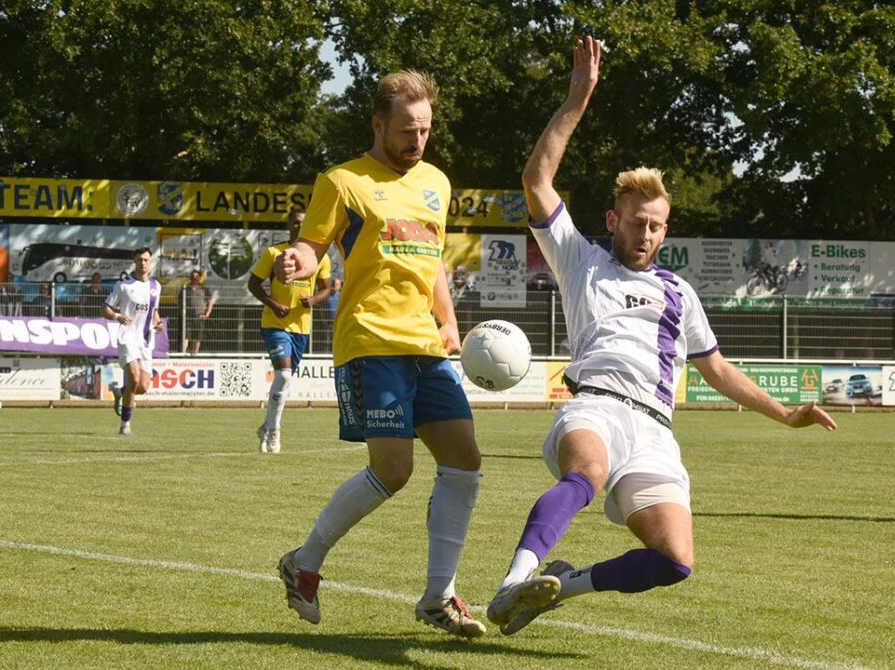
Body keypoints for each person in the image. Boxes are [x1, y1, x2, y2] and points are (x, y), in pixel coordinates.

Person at [484, 36, 839, 636]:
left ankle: (560, 587)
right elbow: (537, 180)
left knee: (675, 559)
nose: (646, 234)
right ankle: (512, 581)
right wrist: (578, 97)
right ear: (612, 221)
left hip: (655, 428)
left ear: (665, 229)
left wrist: (786, 413)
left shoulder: (680, 293)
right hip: (594, 405)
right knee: (585, 476)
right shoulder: (580, 259)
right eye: (636, 222)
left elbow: (717, 370)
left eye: (656, 226)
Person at [272, 70, 485, 638]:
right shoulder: (342, 181)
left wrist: (449, 320)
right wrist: (296, 261)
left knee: (464, 460)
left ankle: (439, 596)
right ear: (378, 125)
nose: (418, 142)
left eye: (425, 131)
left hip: (424, 343)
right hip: (370, 341)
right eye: (407, 131)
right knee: (394, 470)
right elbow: (312, 244)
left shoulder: (437, 182)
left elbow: (433, 259)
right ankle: (304, 561)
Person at [247, 209, 332, 453]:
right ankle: (275, 432)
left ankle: (267, 425)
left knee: (285, 382)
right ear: (288, 225)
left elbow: (327, 288)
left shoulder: (319, 258)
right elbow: (253, 283)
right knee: (282, 376)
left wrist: (314, 300)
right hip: (275, 323)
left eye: (303, 224)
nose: (299, 227)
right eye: (295, 223)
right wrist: (273, 304)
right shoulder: (275, 253)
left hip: (302, 327)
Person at [102, 247, 163, 436]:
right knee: (134, 379)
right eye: (139, 260)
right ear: (134, 262)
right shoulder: (123, 285)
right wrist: (117, 316)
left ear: (150, 262)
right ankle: (125, 425)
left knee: (143, 386)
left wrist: (158, 322)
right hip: (127, 337)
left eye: (146, 260)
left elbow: (153, 311)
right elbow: (106, 308)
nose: (142, 263)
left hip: (145, 340)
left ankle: (121, 392)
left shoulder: (156, 286)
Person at [184, 269, 216, 354]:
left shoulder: (204, 289)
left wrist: (206, 315)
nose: (194, 278)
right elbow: (180, 302)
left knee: (197, 337)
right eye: (193, 276)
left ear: (199, 278)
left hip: (200, 316)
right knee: (186, 336)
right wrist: (182, 313)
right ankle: (183, 354)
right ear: (190, 278)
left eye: (196, 276)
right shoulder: (186, 289)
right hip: (188, 316)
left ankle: (195, 354)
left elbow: (210, 303)